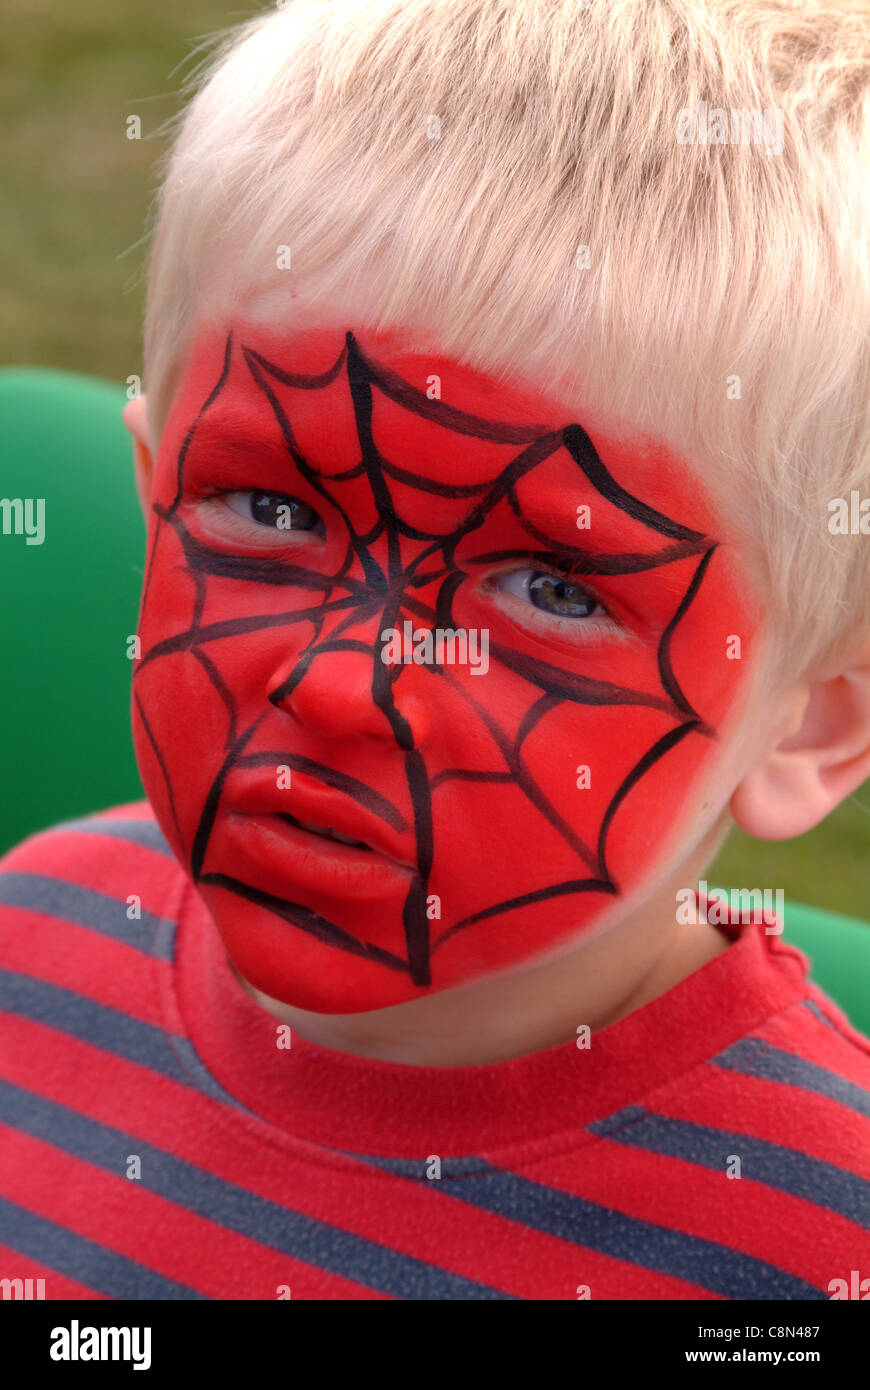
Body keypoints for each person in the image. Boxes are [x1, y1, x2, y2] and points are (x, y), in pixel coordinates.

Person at [1, 0, 869, 1300]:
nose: (343, 683)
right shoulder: (31, 948)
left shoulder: (816, 1246)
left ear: (807, 723)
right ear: (153, 495)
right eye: (276, 511)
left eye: (547, 586)